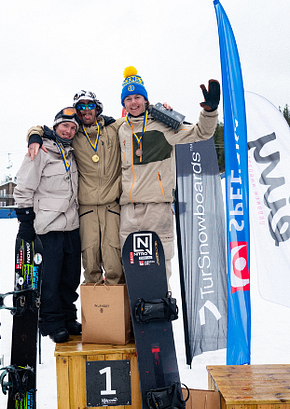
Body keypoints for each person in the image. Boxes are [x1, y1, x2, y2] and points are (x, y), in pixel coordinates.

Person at [117, 66, 220, 282]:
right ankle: (134, 316)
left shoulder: (164, 125)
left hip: (157, 209)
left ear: (146, 100)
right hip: (127, 211)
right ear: (123, 104)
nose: (134, 102)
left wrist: (209, 112)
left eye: (138, 97)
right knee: (130, 270)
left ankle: (162, 313)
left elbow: (202, 133)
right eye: (129, 99)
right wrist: (36, 135)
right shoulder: (119, 128)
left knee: (159, 266)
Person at [28, 91, 125, 285]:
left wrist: (160, 109)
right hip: (86, 209)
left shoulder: (114, 127)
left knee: (114, 262)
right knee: (90, 264)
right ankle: (95, 310)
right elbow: (43, 128)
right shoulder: (74, 133)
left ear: (97, 107)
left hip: (111, 207)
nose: (86, 110)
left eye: (90, 105)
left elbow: (136, 116)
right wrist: (33, 136)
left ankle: (116, 311)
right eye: (81, 106)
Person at [14, 108, 81, 344]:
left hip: (71, 226)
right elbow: (24, 186)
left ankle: (68, 317)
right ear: (56, 126)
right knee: (50, 279)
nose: (69, 130)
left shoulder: (72, 153)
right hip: (48, 227)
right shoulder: (40, 150)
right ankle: (52, 322)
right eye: (65, 126)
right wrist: (25, 220)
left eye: (73, 127)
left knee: (70, 278)